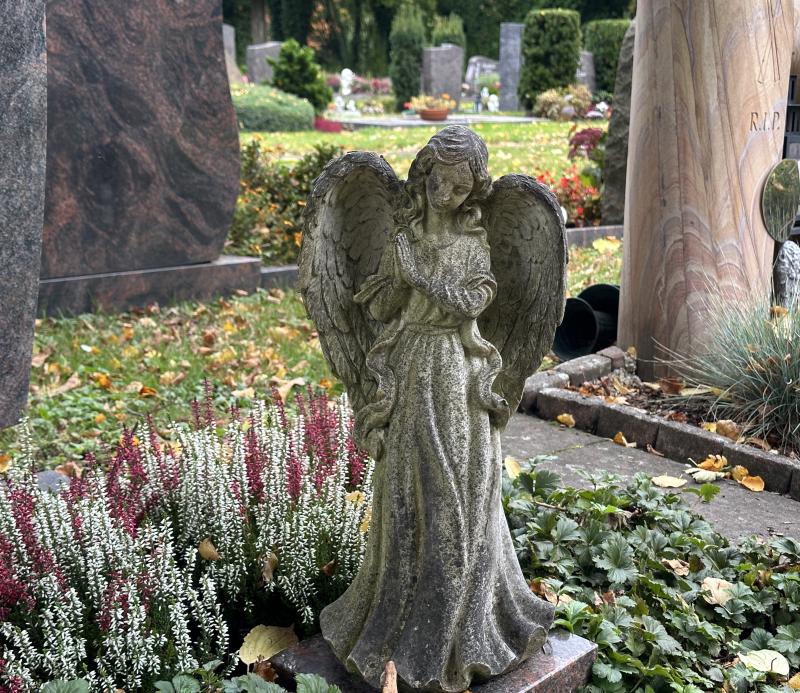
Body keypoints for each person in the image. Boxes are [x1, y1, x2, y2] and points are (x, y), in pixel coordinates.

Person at [319, 126, 554, 692]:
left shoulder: (473, 246)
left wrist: (418, 275)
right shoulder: (403, 238)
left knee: (458, 496)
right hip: (408, 366)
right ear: (423, 176)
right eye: (438, 184)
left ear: (474, 191)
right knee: (409, 491)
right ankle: (400, 620)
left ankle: (466, 627)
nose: (446, 197)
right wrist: (389, 285)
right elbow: (382, 307)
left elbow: (471, 304)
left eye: (459, 189)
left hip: (455, 371)